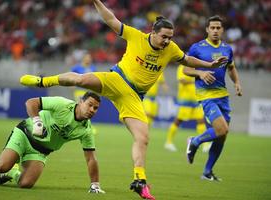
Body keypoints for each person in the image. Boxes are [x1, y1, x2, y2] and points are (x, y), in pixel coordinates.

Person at [20, 1, 228, 199]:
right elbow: (110, 19)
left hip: (134, 97)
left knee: (143, 138)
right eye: (164, 36)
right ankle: (42, 81)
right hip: (117, 79)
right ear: (153, 33)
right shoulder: (136, 36)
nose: (167, 41)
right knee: (82, 79)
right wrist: (95, 1)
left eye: (170, 37)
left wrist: (209, 65)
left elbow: (186, 59)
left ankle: (139, 179)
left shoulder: (171, 49)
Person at [0, 91, 105, 193]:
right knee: (1, 167)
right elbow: (31, 102)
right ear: (80, 101)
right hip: (24, 135)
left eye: (95, 108)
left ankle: (13, 172)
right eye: (90, 105)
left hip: (41, 152)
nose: (92, 110)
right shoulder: (62, 104)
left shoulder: (86, 130)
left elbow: (91, 158)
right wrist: (37, 122)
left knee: (26, 184)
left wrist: (95, 184)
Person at [184, 15, 243, 181]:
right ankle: (194, 141)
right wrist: (200, 73)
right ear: (207, 29)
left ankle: (207, 172)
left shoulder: (227, 49)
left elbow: (231, 67)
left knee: (222, 136)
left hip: (223, 96)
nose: (215, 30)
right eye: (212, 28)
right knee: (222, 130)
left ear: (222, 30)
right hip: (206, 96)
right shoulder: (197, 48)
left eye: (218, 28)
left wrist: (237, 82)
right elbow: (185, 70)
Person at [164, 64, 210, 152]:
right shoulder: (182, 67)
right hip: (185, 100)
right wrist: (195, 80)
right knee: (178, 121)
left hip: (195, 99)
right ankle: (168, 142)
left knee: (201, 120)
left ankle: (205, 144)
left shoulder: (196, 68)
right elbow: (182, 81)